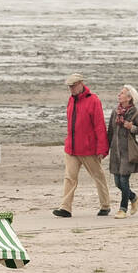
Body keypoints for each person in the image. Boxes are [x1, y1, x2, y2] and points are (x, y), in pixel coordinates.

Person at [53, 73, 112, 218]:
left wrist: (102, 149)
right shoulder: (71, 100)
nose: (71, 89)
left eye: (73, 86)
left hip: (89, 149)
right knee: (69, 178)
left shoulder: (93, 100)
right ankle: (65, 208)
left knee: (98, 176)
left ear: (80, 84)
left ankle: (105, 205)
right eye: (69, 87)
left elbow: (99, 126)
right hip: (71, 148)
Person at [106, 84, 138, 218]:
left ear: (129, 98)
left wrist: (132, 128)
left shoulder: (135, 113)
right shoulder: (115, 112)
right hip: (115, 153)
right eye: (120, 93)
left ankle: (122, 209)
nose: (119, 95)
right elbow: (110, 132)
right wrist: (105, 149)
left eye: (122, 93)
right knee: (118, 182)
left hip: (128, 153)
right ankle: (134, 198)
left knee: (124, 181)